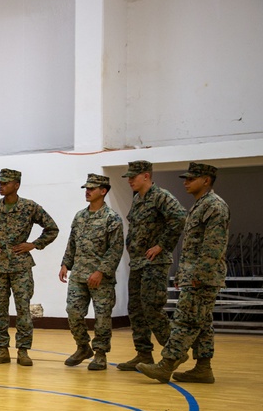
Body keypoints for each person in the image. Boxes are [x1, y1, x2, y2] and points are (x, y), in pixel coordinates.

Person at [138, 163, 230, 384]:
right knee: (202, 324)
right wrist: (182, 274)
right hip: (195, 276)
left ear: (206, 180)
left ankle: (166, 365)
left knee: (186, 321)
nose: (185, 182)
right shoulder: (201, 205)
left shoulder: (214, 206)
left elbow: (213, 247)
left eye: (191, 179)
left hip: (202, 278)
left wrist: (199, 275)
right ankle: (203, 368)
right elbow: (191, 247)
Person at [0, 168, 59, 366]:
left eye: (5, 183)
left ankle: (23, 351)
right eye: (0, 183)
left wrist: (34, 244)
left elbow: (52, 228)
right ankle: (2, 350)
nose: (1, 186)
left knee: (23, 310)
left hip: (21, 266)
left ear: (16, 185)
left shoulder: (29, 207)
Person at [116, 160, 187, 371]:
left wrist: (161, 245)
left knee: (152, 308)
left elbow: (180, 217)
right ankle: (143, 354)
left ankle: (175, 353)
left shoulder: (161, 196)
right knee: (136, 309)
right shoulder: (138, 198)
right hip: (138, 263)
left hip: (154, 263)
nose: (129, 180)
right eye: (128, 176)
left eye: (133, 176)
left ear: (146, 176)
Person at [58, 174, 124, 371]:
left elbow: (116, 249)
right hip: (78, 274)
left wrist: (101, 271)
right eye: (86, 188)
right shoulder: (80, 216)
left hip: (100, 278)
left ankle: (101, 354)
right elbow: (72, 243)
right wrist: (65, 264)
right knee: (73, 312)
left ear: (103, 191)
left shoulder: (112, 219)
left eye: (92, 188)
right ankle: (83, 347)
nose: (87, 191)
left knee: (102, 316)